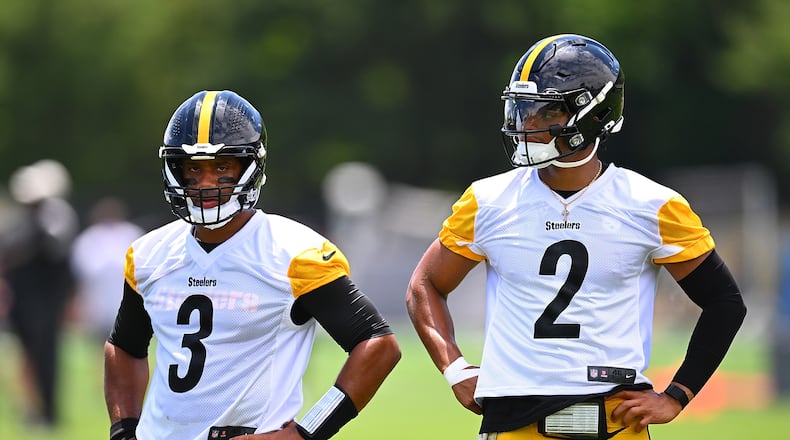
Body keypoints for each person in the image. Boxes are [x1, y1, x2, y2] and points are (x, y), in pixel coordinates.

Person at [405, 34, 747, 439]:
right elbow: (424, 285)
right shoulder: (488, 201)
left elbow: (724, 303)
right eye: (523, 109)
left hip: (614, 420)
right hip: (516, 421)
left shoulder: (651, 204)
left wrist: (677, 394)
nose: (526, 123)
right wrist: (454, 367)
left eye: (544, 111)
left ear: (591, 116)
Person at [104, 90, 401, 440]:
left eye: (222, 167)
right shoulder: (149, 254)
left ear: (249, 168)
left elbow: (378, 345)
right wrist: (124, 430)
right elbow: (123, 346)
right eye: (194, 168)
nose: (206, 183)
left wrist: (305, 433)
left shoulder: (295, 253)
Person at [0, 159, 78, 427]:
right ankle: (32, 408)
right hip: (24, 301)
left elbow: (57, 252)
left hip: (45, 301)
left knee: (45, 355)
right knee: (27, 356)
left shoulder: (54, 217)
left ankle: (47, 410)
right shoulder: (21, 221)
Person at [70, 197, 145, 342]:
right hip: (97, 300)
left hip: (127, 297)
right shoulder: (89, 238)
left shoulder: (131, 233)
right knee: (100, 341)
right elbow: (83, 271)